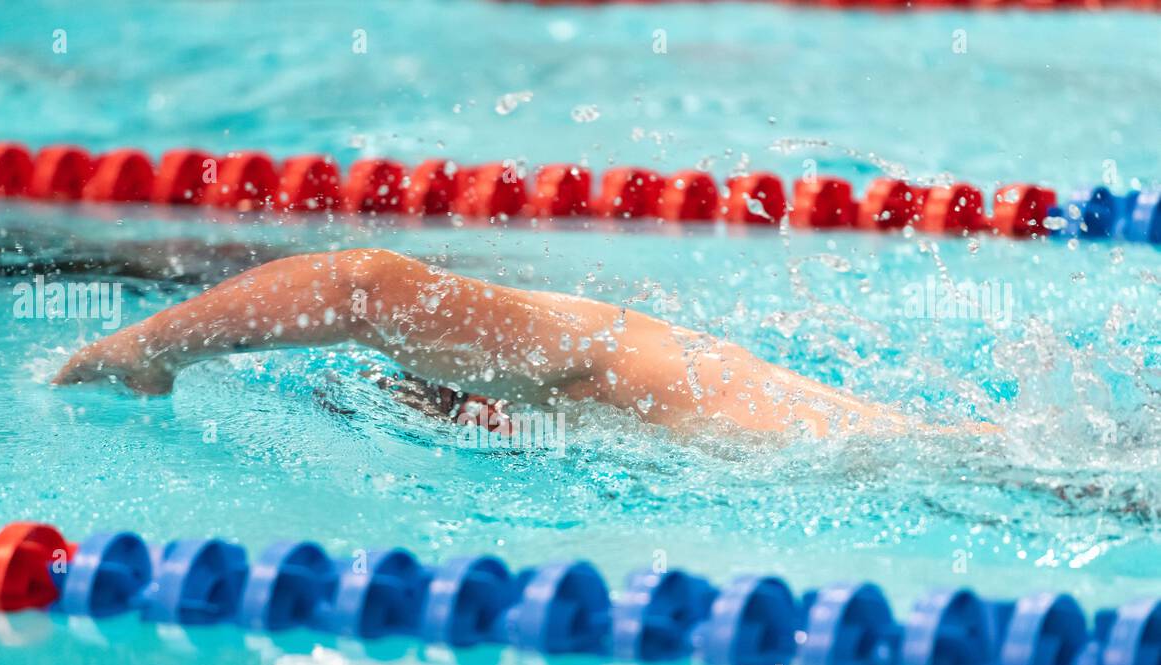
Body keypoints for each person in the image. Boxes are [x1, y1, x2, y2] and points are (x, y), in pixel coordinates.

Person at [54, 247, 917, 437]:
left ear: (474, 388)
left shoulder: (571, 350)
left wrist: (150, 347)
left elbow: (362, 287)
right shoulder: (602, 381)